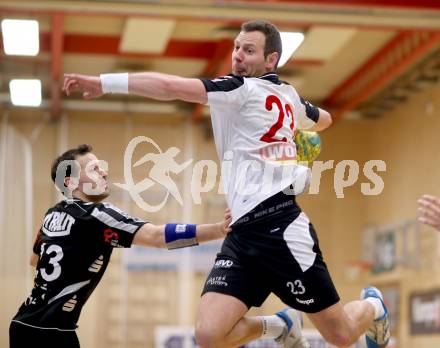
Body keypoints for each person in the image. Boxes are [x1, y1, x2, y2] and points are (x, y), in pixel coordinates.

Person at [63, 20, 390, 348]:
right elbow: (325, 119)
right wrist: (296, 136)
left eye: (249, 50)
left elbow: (171, 87)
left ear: (271, 60)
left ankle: (374, 305)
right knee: (209, 334)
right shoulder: (288, 95)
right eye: (236, 47)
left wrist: (106, 82)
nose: (238, 56)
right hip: (242, 233)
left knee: (342, 335)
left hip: (281, 229)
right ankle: (278, 326)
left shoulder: (240, 89)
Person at [9, 144, 232, 348]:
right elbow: (156, 237)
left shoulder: (52, 213)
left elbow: (34, 259)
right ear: (71, 182)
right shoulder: (97, 215)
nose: (104, 172)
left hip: (23, 324)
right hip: (52, 332)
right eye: (95, 169)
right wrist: (219, 229)